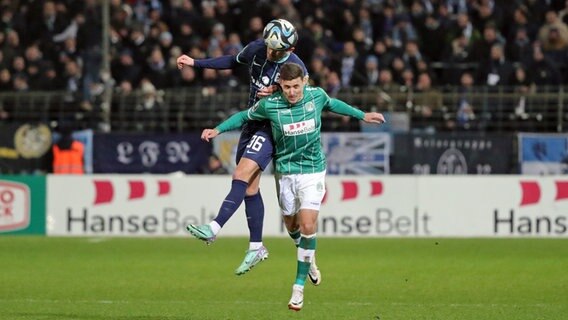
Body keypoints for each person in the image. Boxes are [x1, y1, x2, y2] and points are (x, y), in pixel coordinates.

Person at [201, 62, 385, 311]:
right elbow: (244, 117)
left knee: (308, 225)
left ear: (304, 82)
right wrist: (218, 129)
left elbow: (334, 105)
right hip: (285, 173)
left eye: (296, 86)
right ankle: (307, 254)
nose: (291, 92)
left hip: (312, 172)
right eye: (287, 87)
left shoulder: (316, 96)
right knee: (292, 224)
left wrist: (363, 115)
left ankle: (298, 288)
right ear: (281, 86)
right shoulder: (270, 104)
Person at [177, 19, 309, 276]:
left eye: (278, 51)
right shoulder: (257, 49)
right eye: (270, 48)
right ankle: (256, 246)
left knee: (240, 174)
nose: (272, 53)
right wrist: (196, 62)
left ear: (290, 50)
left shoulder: (295, 68)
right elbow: (231, 61)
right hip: (251, 123)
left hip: (271, 127)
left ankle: (213, 228)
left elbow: (305, 100)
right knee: (250, 187)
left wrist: (280, 94)